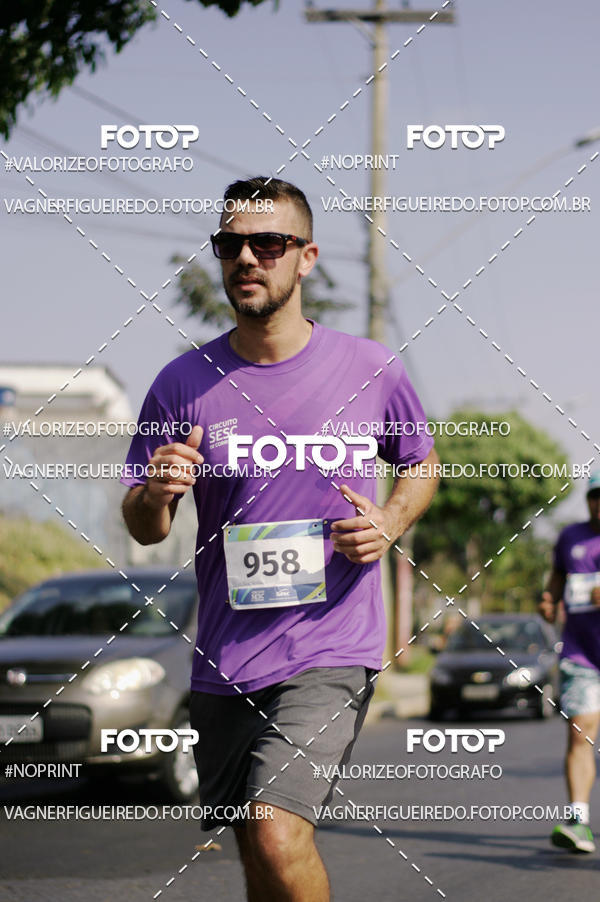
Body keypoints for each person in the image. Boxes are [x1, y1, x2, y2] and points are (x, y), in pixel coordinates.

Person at [120, 176, 439, 901]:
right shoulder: (182, 384)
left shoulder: (368, 368)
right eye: (230, 244)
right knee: (258, 856)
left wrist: (389, 522)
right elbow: (144, 527)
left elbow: (421, 462)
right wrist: (156, 489)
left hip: (331, 646)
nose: (246, 259)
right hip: (226, 655)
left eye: (268, 243)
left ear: (307, 257)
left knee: (275, 828)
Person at [540, 470, 600, 854]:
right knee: (581, 732)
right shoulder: (570, 537)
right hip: (582, 653)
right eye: (595, 495)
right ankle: (579, 822)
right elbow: (556, 581)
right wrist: (548, 600)